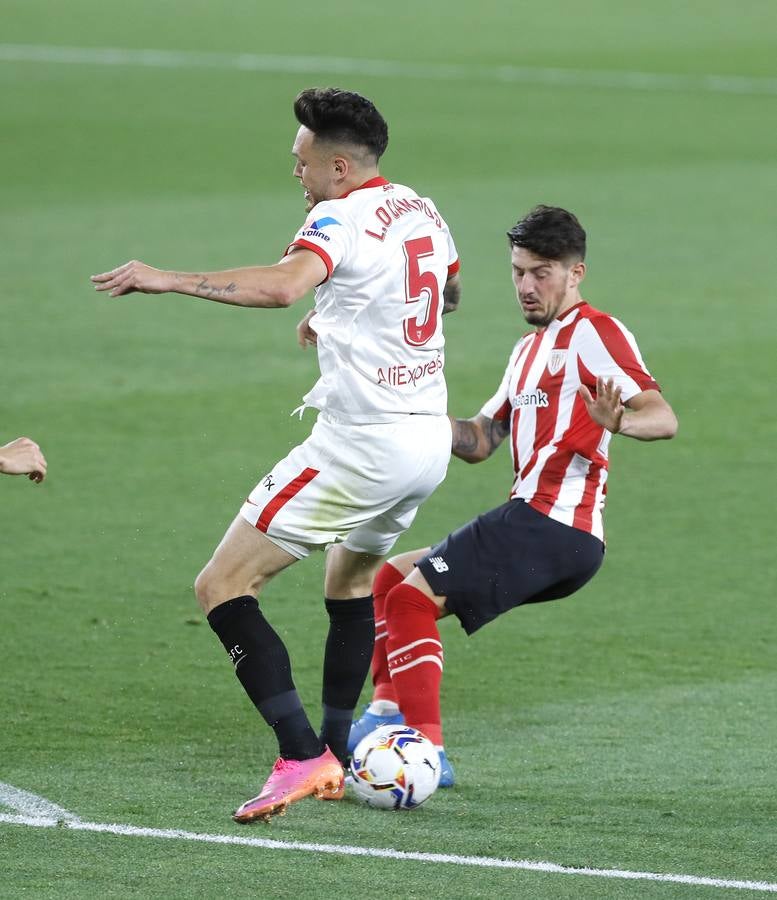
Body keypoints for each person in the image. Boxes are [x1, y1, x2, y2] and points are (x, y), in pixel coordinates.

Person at [91, 87, 461, 822]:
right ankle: (333, 749)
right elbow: (442, 295)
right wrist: (346, 318)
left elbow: (284, 287)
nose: (294, 171)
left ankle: (300, 755)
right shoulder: (421, 208)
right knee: (350, 585)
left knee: (221, 585)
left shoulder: (337, 214)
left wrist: (167, 278)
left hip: (363, 444)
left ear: (340, 165)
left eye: (302, 161)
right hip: (426, 441)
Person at [349, 205, 678, 785]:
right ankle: (384, 713)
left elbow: (663, 416)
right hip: (539, 525)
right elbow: (480, 441)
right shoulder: (526, 353)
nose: (527, 286)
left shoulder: (595, 334)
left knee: (409, 601)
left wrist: (619, 421)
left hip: (555, 526)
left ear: (576, 273)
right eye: (518, 272)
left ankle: (426, 753)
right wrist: (406, 412)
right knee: (390, 580)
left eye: (542, 272)